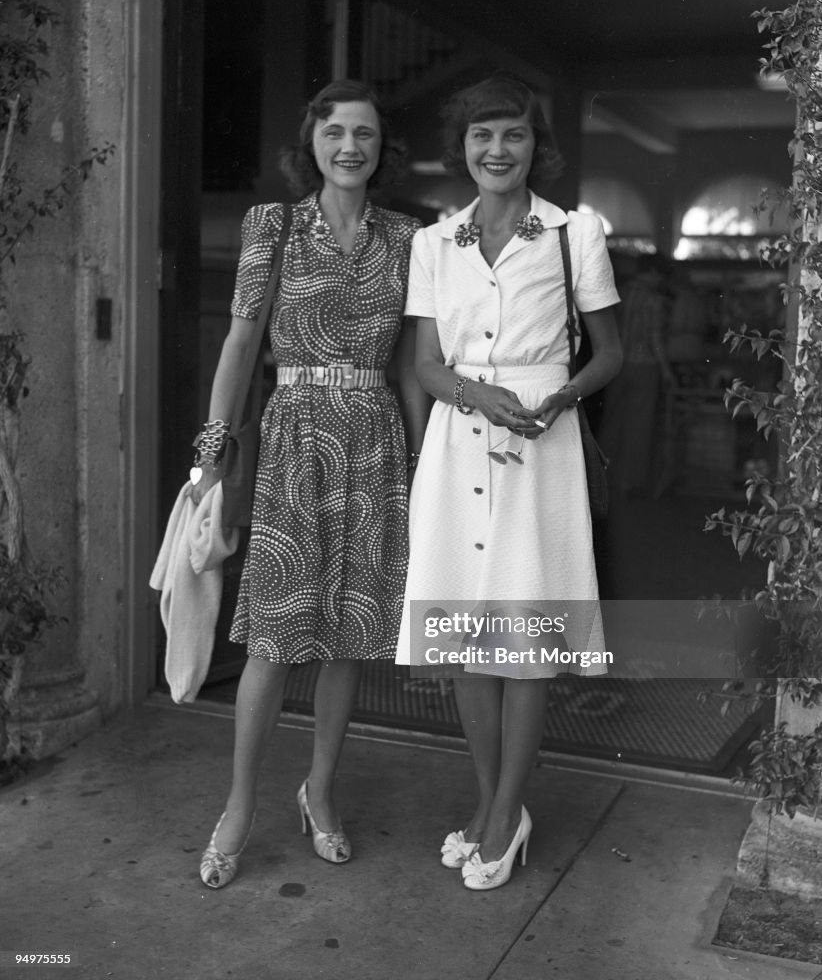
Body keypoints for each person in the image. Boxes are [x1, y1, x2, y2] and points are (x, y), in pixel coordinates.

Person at [193, 80, 427, 889]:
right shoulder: (274, 226)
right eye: (336, 133)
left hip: (374, 441)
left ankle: (319, 792)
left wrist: (426, 458)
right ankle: (238, 805)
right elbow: (239, 339)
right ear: (313, 142)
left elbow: (409, 362)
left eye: (365, 133)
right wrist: (212, 446)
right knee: (273, 636)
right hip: (295, 437)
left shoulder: (407, 238)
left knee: (349, 637)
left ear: (381, 146)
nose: (350, 147)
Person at [396, 74, 622, 891]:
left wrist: (561, 395)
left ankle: (504, 810)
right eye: (483, 135)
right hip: (459, 446)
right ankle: (494, 807)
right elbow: (424, 363)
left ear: (537, 146)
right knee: (465, 642)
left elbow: (613, 354)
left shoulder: (573, 233)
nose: (498, 150)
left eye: (514, 135)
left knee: (522, 641)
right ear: (462, 147)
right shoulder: (434, 242)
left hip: (541, 444)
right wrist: (474, 392)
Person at [598, 252, 676, 496]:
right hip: (644, 366)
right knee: (639, 425)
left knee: (613, 421)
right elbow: (655, 339)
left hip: (615, 365)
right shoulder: (654, 300)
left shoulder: (618, 293)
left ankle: (602, 477)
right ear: (653, 273)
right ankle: (628, 481)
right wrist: (666, 371)